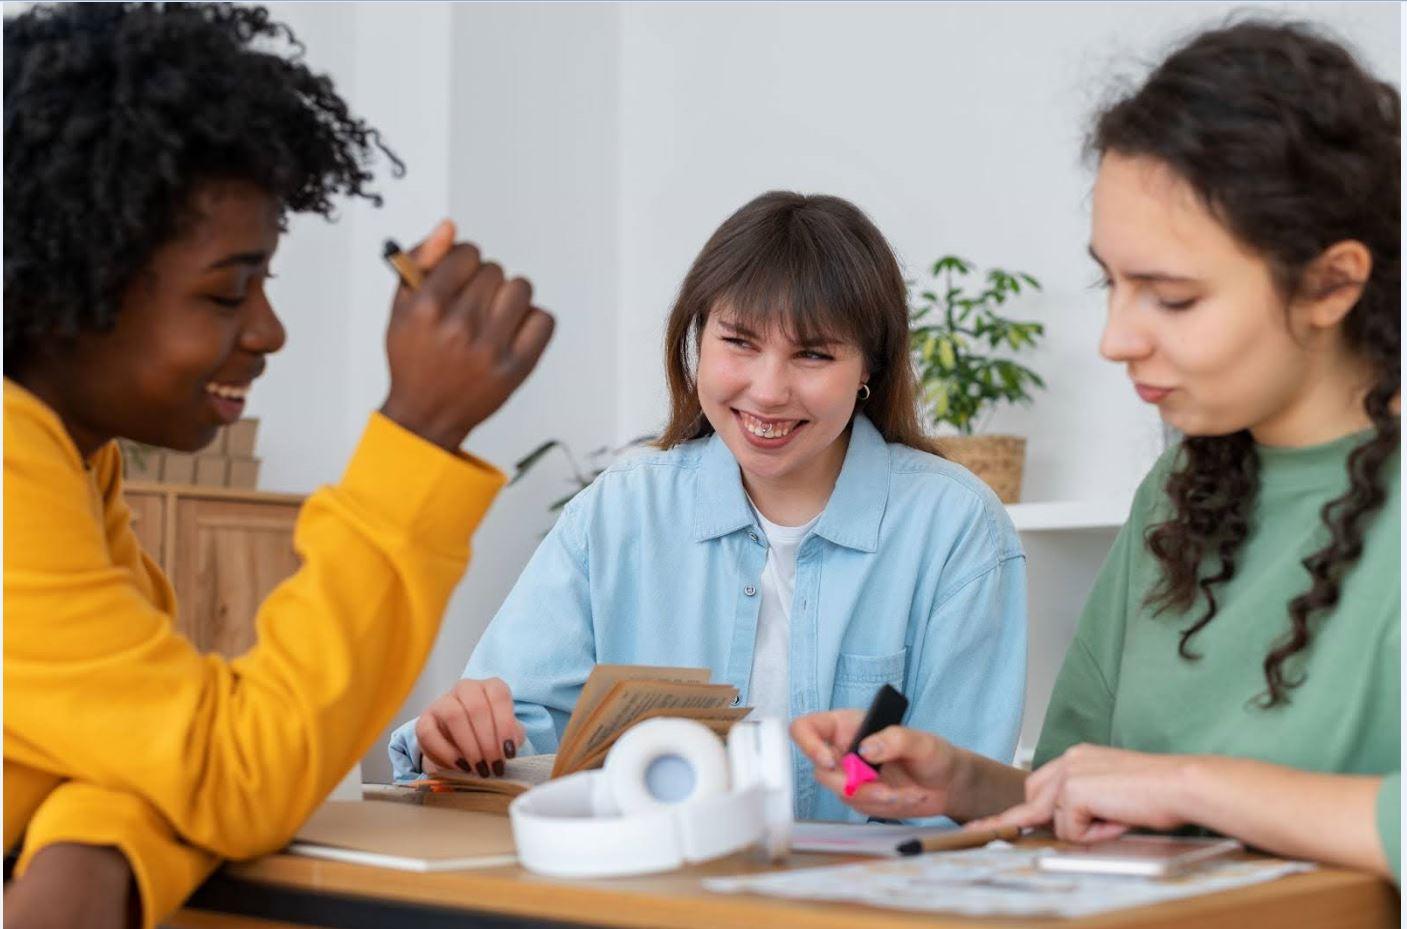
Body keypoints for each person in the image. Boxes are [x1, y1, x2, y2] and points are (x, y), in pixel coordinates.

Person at [791, 20, 1399, 880]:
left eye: (1173, 298)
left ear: (1332, 282)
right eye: (1110, 282)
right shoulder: (1181, 490)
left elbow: (1169, 791)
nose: (1115, 338)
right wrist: (963, 782)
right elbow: (1092, 784)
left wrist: (1192, 785)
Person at [3, 5, 554, 927]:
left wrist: (96, 848)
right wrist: (415, 433)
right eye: (227, 290)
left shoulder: (67, 460)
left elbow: (150, 760)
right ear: (61, 294)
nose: (268, 331)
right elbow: (235, 768)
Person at [388, 190, 1028, 823]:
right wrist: (461, 742)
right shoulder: (617, 516)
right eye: (739, 343)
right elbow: (517, 743)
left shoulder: (955, 529)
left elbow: (958, 800)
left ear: (869, 368)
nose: (769, 391)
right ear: (697, 341)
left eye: (813, 354)